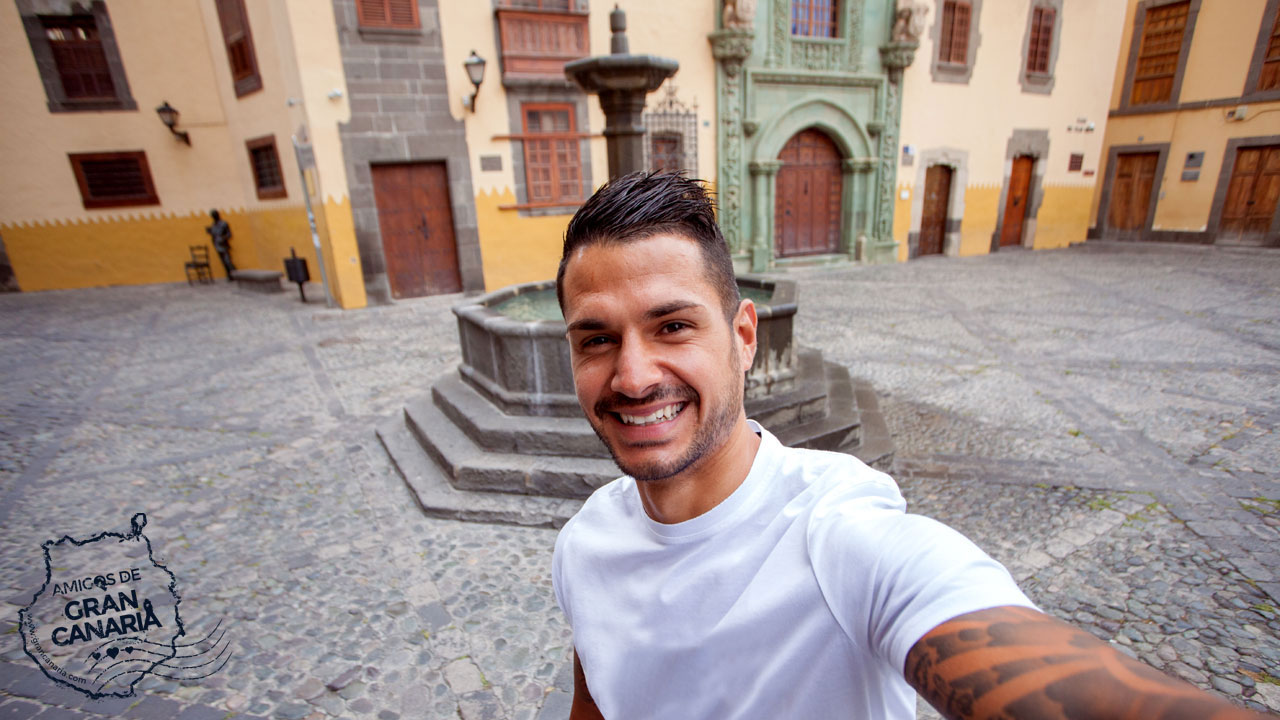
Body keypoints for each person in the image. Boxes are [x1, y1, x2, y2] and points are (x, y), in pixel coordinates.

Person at [551, 172, 1269, 720]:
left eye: (673, 326)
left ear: (744, 337)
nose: (634, 375)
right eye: (597, 338)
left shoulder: (839, 534)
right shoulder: (587, 542)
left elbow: (967, 620)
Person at [206, 209, 235, 281]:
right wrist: (209, 231)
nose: (214, 217)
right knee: (223, 262)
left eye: (215, 215)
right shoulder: (213, 225)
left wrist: (223, 238)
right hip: (217, 245)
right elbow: (214, 235)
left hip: (223, 245)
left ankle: (234, 274)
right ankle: (229, 275)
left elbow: (229, 234)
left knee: (227, 261)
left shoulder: (224, 224)